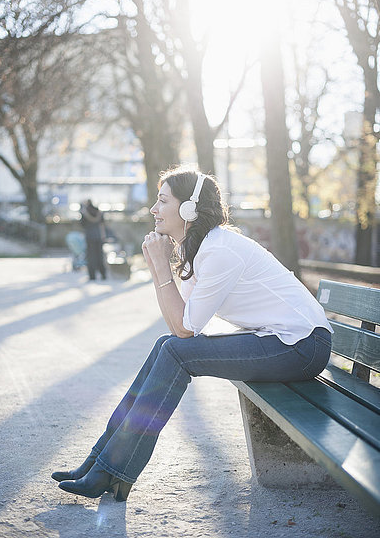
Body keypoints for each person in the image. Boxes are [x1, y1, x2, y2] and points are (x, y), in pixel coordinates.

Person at [52, 167, 333, 501]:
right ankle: (101, 460)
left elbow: (184, 329)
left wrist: (159, 266)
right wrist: (165, 265)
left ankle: (111, 470)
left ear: (188, 209)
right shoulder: (199, 249)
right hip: (281, 341)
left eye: (162, 201)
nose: (154, 210)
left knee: (173, 350)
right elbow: (179, 324)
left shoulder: (219, 251)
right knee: (165, 346)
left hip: (302, 346)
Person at [80, 199, 106, 281]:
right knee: (100, 256)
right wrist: (103, 235)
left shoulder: (85, 212)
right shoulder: (98, 211)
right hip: (98, 236)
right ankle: (103, 274)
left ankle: (92, 276)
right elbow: (102, 224)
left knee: (91, 257)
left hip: (89, 236)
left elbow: (82, 225)